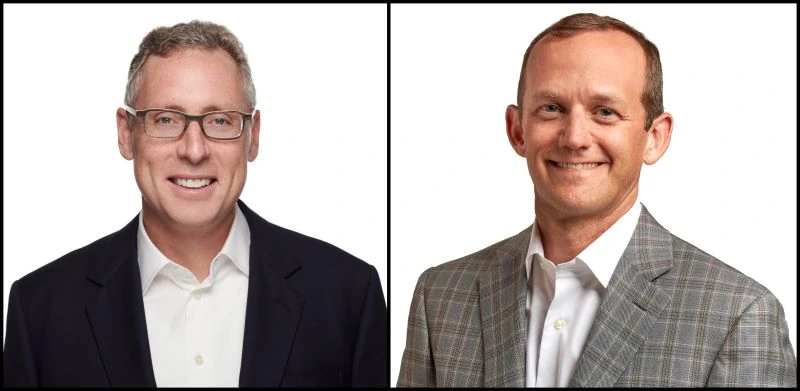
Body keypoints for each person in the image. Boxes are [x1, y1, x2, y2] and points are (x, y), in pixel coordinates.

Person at [396, 12, 796, 387]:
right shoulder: (442, 295)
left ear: (654, 138)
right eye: (551, 108)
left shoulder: (739, 315)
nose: (574, 137)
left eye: (604, 112)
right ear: (518, 130)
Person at [3, 20, 387, 388]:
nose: (194, 149)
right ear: (126, 134)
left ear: (252, 137)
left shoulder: (348, 294)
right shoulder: (40, 309)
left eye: (220, 121)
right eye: (166, 120)